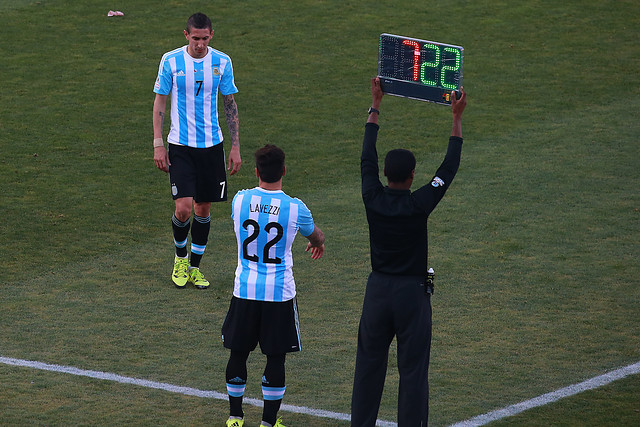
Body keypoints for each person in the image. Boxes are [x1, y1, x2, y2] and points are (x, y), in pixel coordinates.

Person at [351, 77, 467, 426]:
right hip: (412, 296)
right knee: (413, 372)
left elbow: (366, 157)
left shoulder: (372, 197)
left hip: (377, 292)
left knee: (368, 367)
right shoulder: (420, 203)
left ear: (384, 175)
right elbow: (448, 170)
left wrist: (376, 104)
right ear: (413, 174)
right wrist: (456, 118)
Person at [222, 145, 325, 427]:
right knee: (275, 357)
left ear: (256, 172)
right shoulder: (296, 208)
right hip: (279, 294)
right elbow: (315, 234)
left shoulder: (240, 201)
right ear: (284, 171)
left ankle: (235, 417)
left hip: (244, 290)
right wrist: (318, 242)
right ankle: (268, 422)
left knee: (238, 352)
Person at [152, 12, 241, 289]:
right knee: (184, 208)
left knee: (203, 209)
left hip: (212, 146)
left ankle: (194, 267)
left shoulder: (222, 61)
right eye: (195, 38)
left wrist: (235, 145)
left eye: (204, 38)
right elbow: (160, 104)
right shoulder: (171, 60)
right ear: (186, 35)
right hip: (180, 146)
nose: (200, 44)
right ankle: (180, 259)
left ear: (211, 35)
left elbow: (230, 105)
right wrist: (158, 143)